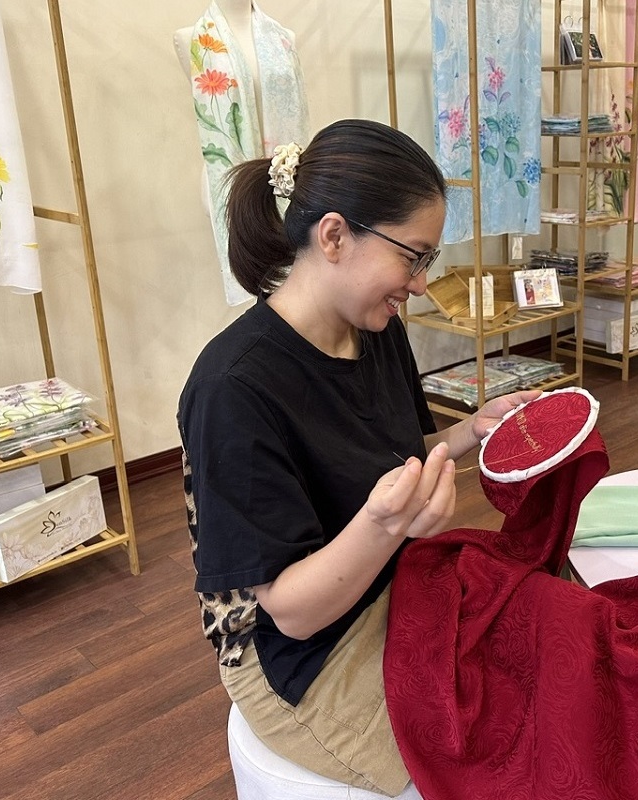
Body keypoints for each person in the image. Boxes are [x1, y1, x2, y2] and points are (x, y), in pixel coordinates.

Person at [177, 118, 539, 796]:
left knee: (547, 655)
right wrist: (386, 525)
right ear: (335, 236)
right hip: (300, 654)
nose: (422, 284)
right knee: (494, 754)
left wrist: (469, 432)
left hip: (389, 581)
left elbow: (391, 459)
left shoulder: (374, 328)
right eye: (414, 257)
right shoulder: (233, 388)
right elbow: (291, 612)